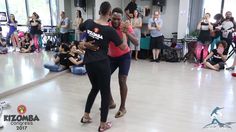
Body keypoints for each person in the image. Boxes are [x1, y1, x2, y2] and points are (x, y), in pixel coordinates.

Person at [79, 1, 127, 132]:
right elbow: (123, 47)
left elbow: (80, 28)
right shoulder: (110, 30)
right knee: (105, 94)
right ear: (110, 13)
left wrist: (83, 42)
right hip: (102, 64)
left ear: (100, 11)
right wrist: (123, 32)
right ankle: (103, 124)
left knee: (94, 88)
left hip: (88, 63)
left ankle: (86, 116)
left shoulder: (89, 22)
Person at [108, 7, 138, 118]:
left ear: (121, 19)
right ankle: (110, 102)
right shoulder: (108, 26)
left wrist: (127, 33)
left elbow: (136, 42)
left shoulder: (126, 26)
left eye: (118, 19)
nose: (116, 21)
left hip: (124, 56)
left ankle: (123, 107)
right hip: (111, 57)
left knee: (122, 80)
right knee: (104, 78)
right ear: (110, 16)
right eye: (114, 18)